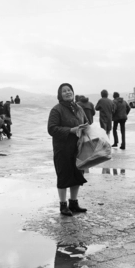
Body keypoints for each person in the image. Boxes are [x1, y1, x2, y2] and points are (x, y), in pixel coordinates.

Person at [48, 83, 88, 216]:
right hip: (62, 149)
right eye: (64, 91)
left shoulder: (78, 108)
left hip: (78, 148)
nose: (67, 92)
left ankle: (74, 203)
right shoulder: (56, 109)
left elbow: (86, 123)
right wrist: (70, 130)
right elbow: (52, 129)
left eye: (69, 90)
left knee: (77, 175)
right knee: (64, 175)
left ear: (73, 92)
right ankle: (63, 205)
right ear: (60, 95)